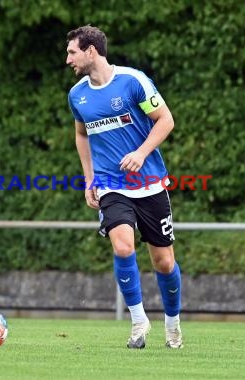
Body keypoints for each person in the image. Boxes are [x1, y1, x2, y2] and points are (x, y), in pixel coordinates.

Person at [66, 25, 183, 349]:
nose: (68, 59)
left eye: (72, 52)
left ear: (91, 51)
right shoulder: (78, 95)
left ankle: (172, 325)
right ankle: (137, 322)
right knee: (122, 247)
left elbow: (166, 120)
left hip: (150, 183)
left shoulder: (133, 82)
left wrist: (141, 152)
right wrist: (89, 179)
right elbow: (81, 134)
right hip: (110, 184)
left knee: (164, 262)